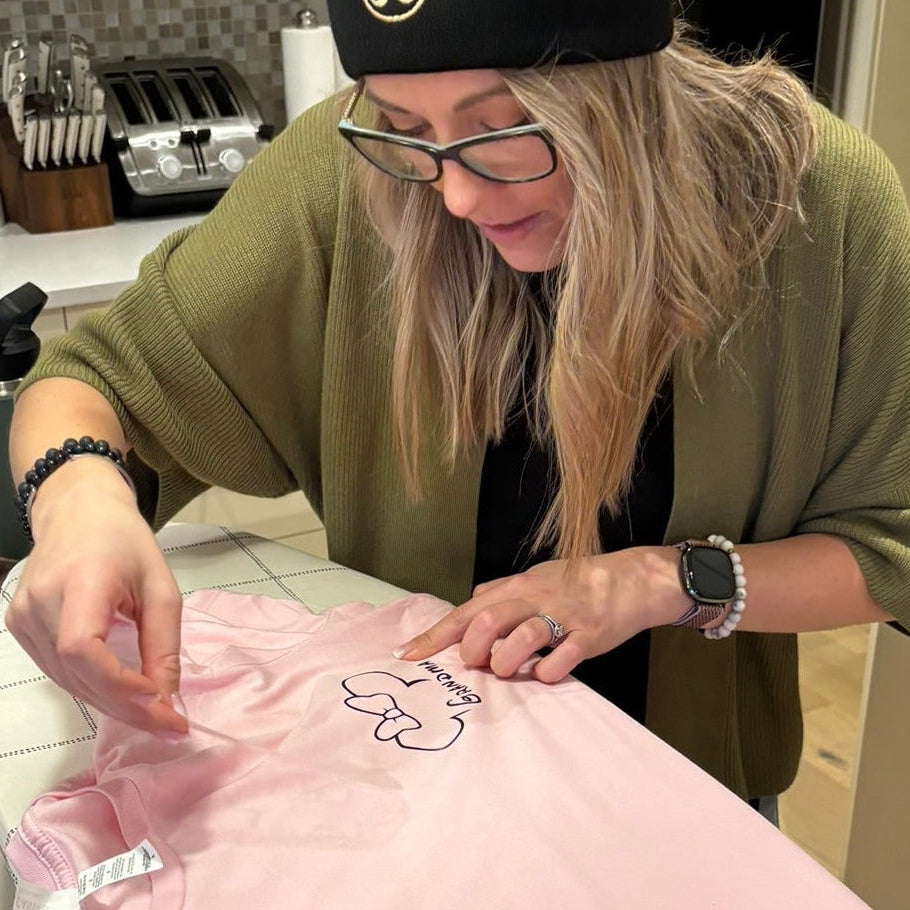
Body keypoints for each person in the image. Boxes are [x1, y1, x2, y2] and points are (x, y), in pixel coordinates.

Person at [5, 0, 910, 810]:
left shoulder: (816, 206)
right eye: (406, 128)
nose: (459, 195)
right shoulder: (341, 171)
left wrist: (657, 583)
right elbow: (93, 380)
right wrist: (78, 502)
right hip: (410, 785)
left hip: (690, 795)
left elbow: (890, 548)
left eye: (505, 127)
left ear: (627, 95)